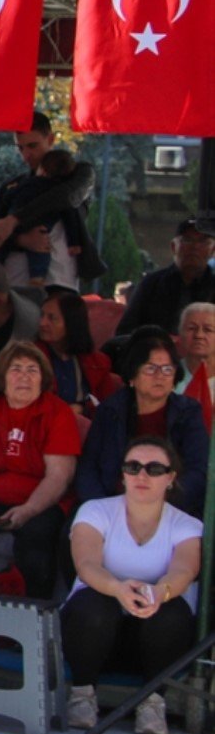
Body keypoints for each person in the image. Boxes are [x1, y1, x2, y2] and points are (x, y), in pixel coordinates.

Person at [63, 438, 202, 734]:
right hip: (95, 632)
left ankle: (153, 703)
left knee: (173, 612)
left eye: (154, 469)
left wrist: (158, 593)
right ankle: (82, 695)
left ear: (170, 478)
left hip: (151, 636)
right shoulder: (95, 510)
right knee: (93, 604)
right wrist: (118, 589)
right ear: (123, 474)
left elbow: (185, 569)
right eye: (133, 466)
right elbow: (86, 565)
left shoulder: (186, 524)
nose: (142, 475)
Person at [0, 341, 81, 606]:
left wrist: (29, 510)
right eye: (16, 369)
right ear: (1, 376)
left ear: (43, 378)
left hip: (41, 500)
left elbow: (59, 476)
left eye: (32, 370)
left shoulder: (58, 413)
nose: (24, 376)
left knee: (37, 544)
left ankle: (37, 620)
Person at [76, 329, 208, 514]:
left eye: (167, 369)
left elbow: (198, 471)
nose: (160, 375)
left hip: (171, 506)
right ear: (132, 376)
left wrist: (160, 505)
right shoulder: (110, 410)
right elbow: (88, 468)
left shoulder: (188, 412)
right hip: (112, 504)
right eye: (150, 368)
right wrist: (104, 508)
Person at [0, 112, 102, 290]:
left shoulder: (78, 173)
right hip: (13, 281)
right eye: (20, 148)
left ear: (50, 139)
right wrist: (21, 240)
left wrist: (14, 220)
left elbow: (64, 197)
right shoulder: (12, 186)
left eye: (33, 146)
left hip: (60, 280)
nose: (26, 155)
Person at [117, 219, 215, 338]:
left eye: (202, 241)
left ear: (212, 250)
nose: (194, 246)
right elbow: (125, 331)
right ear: (174, 246)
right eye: (187, 240)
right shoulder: (151, 284)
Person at [37, 289, 120, 414]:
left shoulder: (97, 362)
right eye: (42, 315)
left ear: (72, 323)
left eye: (52, 318)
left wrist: (83, 409)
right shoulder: (31, 356)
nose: (42, 323)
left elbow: (109, 406)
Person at [176, 302, 214, 431]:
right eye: (192, 328)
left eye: (208, 329)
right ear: (180, 334)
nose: (199, 335)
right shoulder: (166, 375)